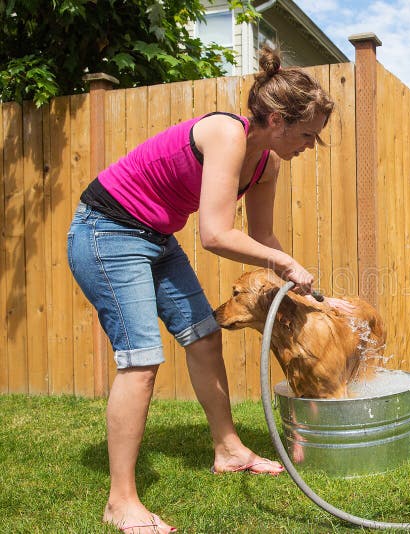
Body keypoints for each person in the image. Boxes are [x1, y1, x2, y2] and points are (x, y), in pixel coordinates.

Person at [67, 45, 350, 533]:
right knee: (141, 361)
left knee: (204, 335)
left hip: (154, 237)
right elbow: (216, 235)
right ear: (278, 119)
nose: (311, 145)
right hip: (106, 232)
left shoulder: (268, 165)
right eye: (308, 134)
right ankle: (121, 501)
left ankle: (229, 449)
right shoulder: (225, 132)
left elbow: (262, 240)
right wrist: (283, 260)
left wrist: (306, 288)